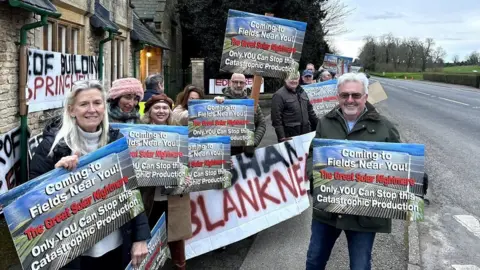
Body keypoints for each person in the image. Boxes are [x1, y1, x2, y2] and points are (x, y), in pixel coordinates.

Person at [29, 79, 150, 270]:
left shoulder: (116, 141)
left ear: (104, 107)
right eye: (84, 104)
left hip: (117, 245)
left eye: (97, 103)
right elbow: (32, 205)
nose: (91, 109)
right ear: (71, 110)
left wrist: (141, 237)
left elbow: (131, 191)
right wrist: (55, 177)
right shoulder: (50, 148)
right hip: (74, 255)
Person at [306, 72, 401, 270]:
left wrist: (414, 180)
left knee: (360, 266)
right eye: (345, 95)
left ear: (366, 96)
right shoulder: (325, 123)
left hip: (364, 216)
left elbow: (400, 165)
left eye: (356, 95)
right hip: (328, 211)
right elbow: (312, 155)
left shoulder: (385, 128)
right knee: (314, 261)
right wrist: (312, 176)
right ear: (338, 96)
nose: (350, 100)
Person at [141, 94, 192, 270]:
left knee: (176, 238)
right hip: (149, 196)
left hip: (173, 196)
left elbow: (191, 159)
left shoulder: (179, 132)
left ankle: (180, 266)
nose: (161, 111)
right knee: (147, 237)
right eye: (157, 108)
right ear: (149, 111)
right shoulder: (139, 132)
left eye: (165, 108)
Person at [214, 73, 266, 157]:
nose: (238, 85)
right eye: (235, 82)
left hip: (245, 151)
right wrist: (213, 105)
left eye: (241, 82)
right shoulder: (220, 101)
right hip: (224, 150)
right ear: (230, 83)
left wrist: (253, 142)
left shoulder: (252, 103)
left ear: (245, 84)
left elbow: (262, 124)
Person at [271, 70, 318, 143]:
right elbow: (276, 120)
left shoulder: (302, 92)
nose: (294, 81)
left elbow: (311, 112)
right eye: (291, 78)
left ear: (299, 79)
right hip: (290, 138)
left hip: (306, 135)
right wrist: (282, 138)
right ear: (285, 79)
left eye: (296, 78)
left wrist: (319, 127)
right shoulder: (278, 95)